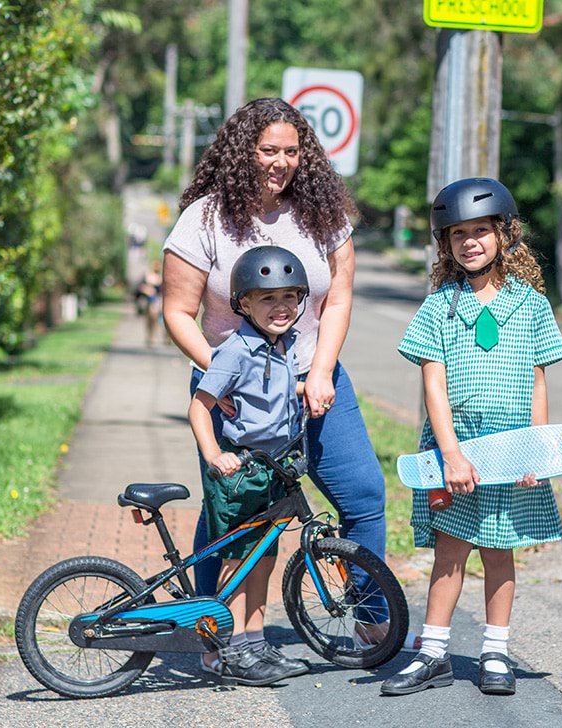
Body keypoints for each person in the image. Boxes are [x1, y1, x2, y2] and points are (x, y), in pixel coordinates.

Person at [162, 97, 411, 659]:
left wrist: (321, 369)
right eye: (268, 150)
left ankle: (369, 617)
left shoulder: (322, 213)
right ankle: (216, 632)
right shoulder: (206, 218)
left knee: (365, 495)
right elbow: (177, 311)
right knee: (233, 512)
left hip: (316, 382)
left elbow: (341, 294)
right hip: (235, 388)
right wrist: (221, 376)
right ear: (242, 151)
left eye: (291, 151)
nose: (280, 162)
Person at [382, 178, 562, 697]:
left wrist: (538, 449)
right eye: (457, 233)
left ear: (504, 234)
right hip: (457, 451)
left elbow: (537, 380)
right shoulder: (438, 306)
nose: (469, 242)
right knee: (450, 552)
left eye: (480, 231)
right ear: (445, 243)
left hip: (512, 452)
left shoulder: (531, 305)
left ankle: (495, 651)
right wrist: (451, 455)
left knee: (499, 552)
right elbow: (433, 385)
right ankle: (433, 653)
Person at [187, 245, 311, 686]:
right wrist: (213, 455)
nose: (281, 307)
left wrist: (300, 393)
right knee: (237, 560)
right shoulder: (235, 351)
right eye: (267, 298)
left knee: (263, 557)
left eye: (289, 297)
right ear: (243, 303)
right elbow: (199, 407)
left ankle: (255, 643)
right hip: (239, 472)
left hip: (274, 469)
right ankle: (231, 646)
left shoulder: (285, 345)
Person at [137, 258, 164, 346]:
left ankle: (157, 336)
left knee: (157, 317)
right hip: (148, 300)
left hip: (158, 301)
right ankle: (149, 335)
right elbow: (138, 287)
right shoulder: (147, 276)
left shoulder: (162, 277)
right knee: (149, 320)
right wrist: (147, 289)